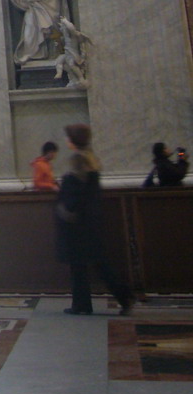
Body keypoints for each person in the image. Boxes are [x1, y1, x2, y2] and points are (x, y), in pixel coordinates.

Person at [55, 124, 134, 316]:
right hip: (90, 221)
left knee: (80, 265)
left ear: (73, 141)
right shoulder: (90, 158)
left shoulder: (78, 161)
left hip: (78, 224)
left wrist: (64, 210)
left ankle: (84, 304)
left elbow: (74, 194)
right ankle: (118, 298)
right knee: (97, 263)